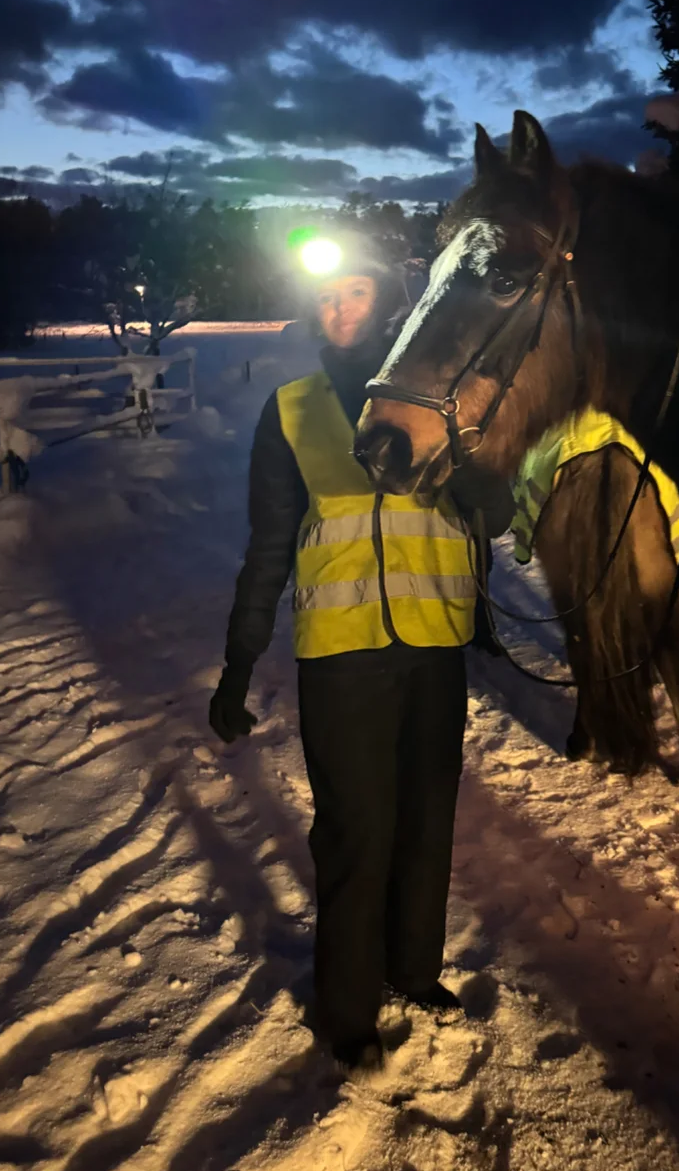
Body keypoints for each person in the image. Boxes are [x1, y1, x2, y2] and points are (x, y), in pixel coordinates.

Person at [208, 232, 513, 1073]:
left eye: (356, 292)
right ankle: (348, 1011)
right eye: (327, 296)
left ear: (389, 305)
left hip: (435, 643)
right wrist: (238, 663)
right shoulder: (292, 409)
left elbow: (497, 515)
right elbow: (270, 544)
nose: (339, 308)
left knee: (427, 817)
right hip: (341, 653)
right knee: (354, 828)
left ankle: (413, 970)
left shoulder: (443, 401)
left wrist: (479, 474)